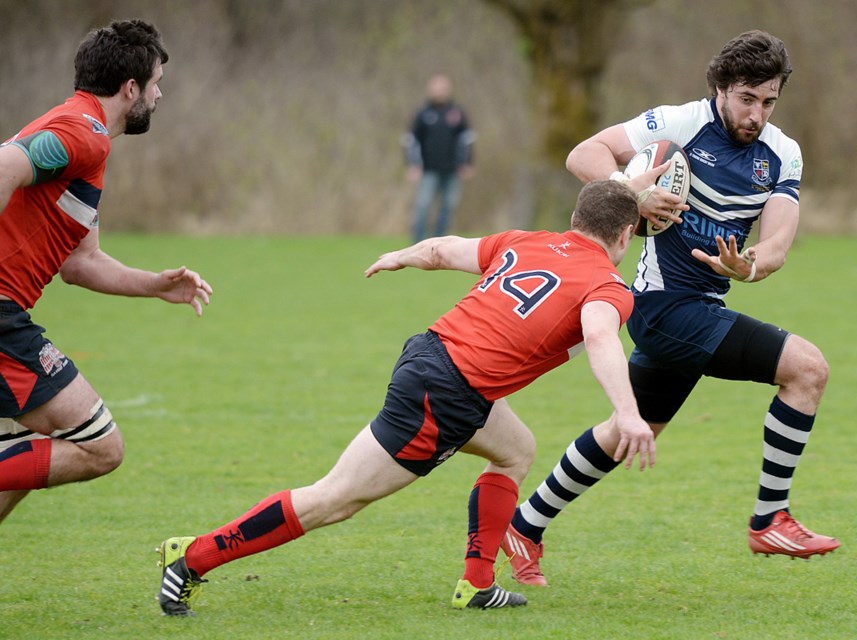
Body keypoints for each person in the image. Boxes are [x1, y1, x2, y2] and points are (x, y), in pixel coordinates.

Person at [155, 179, 659, 615]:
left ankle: (478, 585)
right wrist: (628, 414)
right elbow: (599, 337)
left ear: (574, 219)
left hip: (433, 356)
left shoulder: (525, 240)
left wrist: (402, 256)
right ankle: (193, 557)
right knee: (335, 499)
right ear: (625, 235)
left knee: (515, 450)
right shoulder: (609, 285)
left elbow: (443, 251)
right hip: (445, 396)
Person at [501, 30, 840, 587]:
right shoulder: (678, 123)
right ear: (721, 89)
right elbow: (582, 153)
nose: (756, 113)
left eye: (769, 101)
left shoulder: (782, 153)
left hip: (698, 306)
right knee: (808, 369)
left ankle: (525, 525)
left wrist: (749, 266)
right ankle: (769, 518)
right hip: (662, 306)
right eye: (746, 98)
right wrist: (630, 191)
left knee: (631, 430)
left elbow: (776, 244)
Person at [0, 20, 213, 524]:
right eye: (157, 83)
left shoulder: (84, 139)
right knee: (100, 446)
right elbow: (6, 164)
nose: (160, 95)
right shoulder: (86, 133)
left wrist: (155, 285)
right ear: (131, 88)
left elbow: (80, 262)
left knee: (20, 454)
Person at [403, 74, 475, 242]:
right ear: (430, 90)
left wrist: (466, 163)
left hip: (452, 169)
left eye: (443, 89)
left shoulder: (456, 113)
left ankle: (440, 242)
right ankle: (418, 240)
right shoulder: (423, 113)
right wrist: (414, 164)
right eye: (437, 89)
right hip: (429, 169)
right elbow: (411, 140)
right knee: (423, 205)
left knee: (448, 206)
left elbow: (466, 139)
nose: (440, 92)